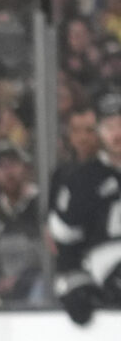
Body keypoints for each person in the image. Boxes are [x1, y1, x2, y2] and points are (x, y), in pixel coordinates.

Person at [51, 90, 121, 326]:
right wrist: (73, 283)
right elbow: (65, 246)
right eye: (110, 126)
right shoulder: (82, 180)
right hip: (104, 267)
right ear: (99, 132)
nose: (118, 133)